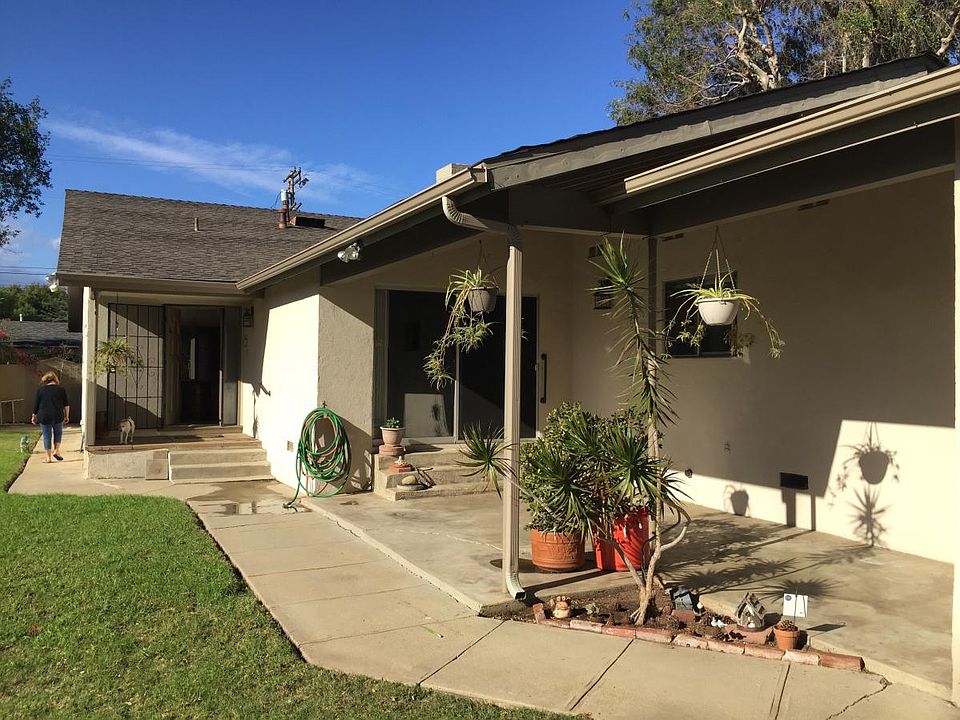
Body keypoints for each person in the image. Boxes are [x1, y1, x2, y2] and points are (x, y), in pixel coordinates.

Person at [31, 371, 70, 463]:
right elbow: (66, 405)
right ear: (55, 379)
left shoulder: (41, 390)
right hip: (58, 415)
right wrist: (67, 416)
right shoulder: (61, 390)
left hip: (44, 416)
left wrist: (33, 415)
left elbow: (36, 405)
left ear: (45, 380)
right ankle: (56, 451)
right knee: (58, 433)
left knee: (46, 436)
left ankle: (48, 458)